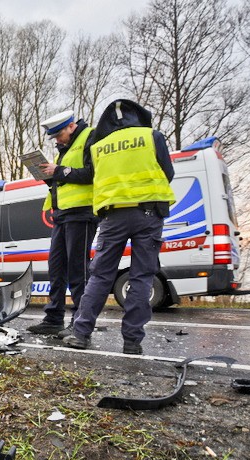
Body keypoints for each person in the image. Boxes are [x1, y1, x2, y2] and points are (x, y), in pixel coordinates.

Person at [64, 99, 175, 354]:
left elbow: (95, 178)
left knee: (100, 275)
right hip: (148, 214)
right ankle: (132, 342)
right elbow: (167, 173)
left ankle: (80, 333)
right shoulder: (152, 136)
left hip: (112, 217)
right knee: (141, 277)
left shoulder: (98, 145)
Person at [27, 110, 98, 338]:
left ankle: (80, 322)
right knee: (56, 269)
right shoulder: (64, 152)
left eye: (59, 134)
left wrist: (58, 171)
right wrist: (50, 176)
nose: (57, 140)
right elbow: (64, 180)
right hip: (62, 216)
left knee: (78, 271)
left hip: (82, 213)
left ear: (71, 126)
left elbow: (92, 173)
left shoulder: (91, 137)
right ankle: (54, 318)